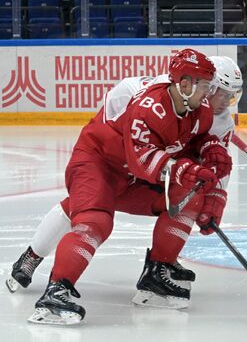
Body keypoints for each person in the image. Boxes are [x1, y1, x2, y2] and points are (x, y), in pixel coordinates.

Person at [16, 48, 235, 326]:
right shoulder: (147, 107)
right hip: (98, 164)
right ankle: (55, 293)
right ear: (185, 84)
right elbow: (143, 159)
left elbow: (195, 138)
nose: (211, 94)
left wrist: (211, 148)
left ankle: (157, 274)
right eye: (207, 86)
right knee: (95, 220)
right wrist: (182, 168)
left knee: (190, 196)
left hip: (132, 177)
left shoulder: (199, 107)